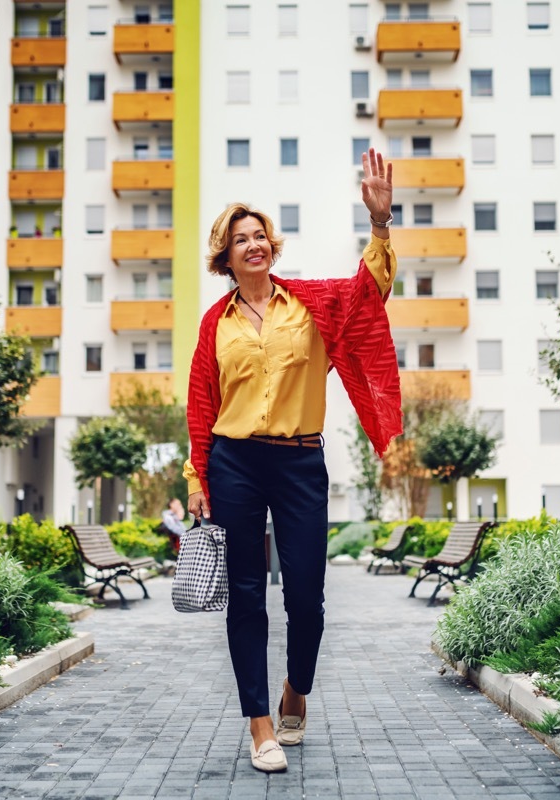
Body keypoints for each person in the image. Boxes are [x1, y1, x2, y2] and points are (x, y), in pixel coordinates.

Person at [183, 148, 402, 773]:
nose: (253, 245)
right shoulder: (213, 325)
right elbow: (202, 403)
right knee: (246, 596)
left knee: (307, 596)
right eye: (239, 239)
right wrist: (198, 474)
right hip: (235, 464)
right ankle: (259, 726)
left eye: (260, 236)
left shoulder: (313, 305)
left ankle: (294, 693)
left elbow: (371, 293)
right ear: (225, 256)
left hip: (301, 461)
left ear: (272, 248)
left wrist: (380, 224)